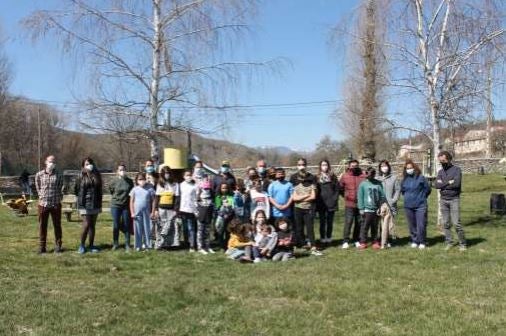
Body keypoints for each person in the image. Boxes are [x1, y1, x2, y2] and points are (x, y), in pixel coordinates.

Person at [435, 151, 467, 251]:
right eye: (440, 161)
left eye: (443, 161)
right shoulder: (440, 172)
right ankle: (449, 242)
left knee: (456, 223)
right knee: (446, 223)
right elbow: (436, 185)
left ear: (449, 159)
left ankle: (463, 244)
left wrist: (443, 183)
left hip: (454, 199)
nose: (442, 163)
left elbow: (456, 184)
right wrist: (449, 182)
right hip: (443, 200)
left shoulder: (457, 170)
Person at [290, 158, 321, 256]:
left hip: (309, 208)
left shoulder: (312, 177)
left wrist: (301, 198)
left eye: (303, 164)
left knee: (310, 228)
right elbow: (294, 197)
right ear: (297, 165)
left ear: (306, 165)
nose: (301, 166)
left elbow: (313, 196)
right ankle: (302, 244)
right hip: (297, 208)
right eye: (299, 164)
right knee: (298, 228)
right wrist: (305, 196)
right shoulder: (293, 177)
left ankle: (313, 246)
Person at [34, 155, 63, 254]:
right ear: (46, 162)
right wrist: (41, 196)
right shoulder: (39, 174)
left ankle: (58, 245)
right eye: (50, 161)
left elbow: (60, 187)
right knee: (42, 225)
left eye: (53, 162)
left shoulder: (59, 175)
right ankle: (42, 247)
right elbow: (37, 186)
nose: (52, 163)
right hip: (43, 204)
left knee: (57, 225)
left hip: (55, 204)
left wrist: (58, 198)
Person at [74, 157, 103, 254]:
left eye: (90, 163)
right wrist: (80, 200)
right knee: (86, 225)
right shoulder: (80, 176)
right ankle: (82, 245)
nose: (88, 165)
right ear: (83, 166)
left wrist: (99, 202)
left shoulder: (97, 175)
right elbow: (76, 189)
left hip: (95, 203)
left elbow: (100, 189)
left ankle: (91, 245)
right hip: (85, 203)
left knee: (92, 225)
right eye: (86, 164)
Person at [401, 160, 431, 249]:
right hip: (408, 206)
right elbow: (403, 191)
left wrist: (421, 197)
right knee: (412, 225)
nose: (409, 169)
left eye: (410, 168)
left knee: (421, 224)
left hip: (420, 205)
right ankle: (415, 240)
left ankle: (422, 241)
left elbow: (428, 189)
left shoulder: (421, 178)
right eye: (407, 168)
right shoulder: (404, 180)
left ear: (414, 168)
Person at [339, 159, 366, 249]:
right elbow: (340, 188)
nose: (354, 167)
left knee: (359, 223)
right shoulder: (345, 176)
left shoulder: (363, 175)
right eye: (352, 166)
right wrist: (346, 196)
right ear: (349, 166)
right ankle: (345, 241)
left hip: (361, 204)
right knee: (348, 222)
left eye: (356, 165)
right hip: (349, 204)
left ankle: (356, 240)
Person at [357, 167, 386, 249]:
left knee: (375, 226)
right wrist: (361, 208)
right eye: (368, 174)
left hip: (376, 209)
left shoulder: (378, 183)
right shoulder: (363, 184)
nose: (369, 176)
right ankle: (363, 241)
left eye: (371, 174)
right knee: (364, 226)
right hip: (366, 209)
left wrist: (380, 206)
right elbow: (360, 196)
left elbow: (382, 195)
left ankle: (375, 241)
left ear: (374, 174)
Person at [152, 166, 180, 249]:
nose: (166, 175)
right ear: (162, 174)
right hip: (161, 209)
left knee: (171, 227)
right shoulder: (160, 183)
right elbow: (157, 197)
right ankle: (160, 244)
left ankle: (170, 244)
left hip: (171, 209)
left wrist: (176, 209)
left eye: (168, 173)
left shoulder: (175, 183)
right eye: (165, 173)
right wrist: (156, 209)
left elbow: (177, 197)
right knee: (161, 227)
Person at [109, 163, 134, 251]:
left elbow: (131, 193)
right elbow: (111, 191)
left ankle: (127, 244)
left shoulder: (130, 181)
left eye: (123, 169)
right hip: (115, 205)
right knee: (116, 224)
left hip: (126, 206)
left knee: (126, 224)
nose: (122, 171)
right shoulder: (113, 181)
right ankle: (115, 243)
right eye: (120, 170)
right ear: (117, 171)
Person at [129, 172, 156, 251]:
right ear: (137, 180)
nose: (142, 181)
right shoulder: (134, 189)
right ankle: (138, 245)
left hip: (147, 212)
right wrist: (132, 212)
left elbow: (154, 200)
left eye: (143, 179)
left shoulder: (150, 188)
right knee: (137, 229)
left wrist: (153, 212)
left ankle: (147, 245)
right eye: (140, 179)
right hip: (137, 213)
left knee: (147, 228)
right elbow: (131, 202)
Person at [377, 160, 401, 247]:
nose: (384, 167)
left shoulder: (394, 178)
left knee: (390, 223)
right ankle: (382, 240)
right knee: (381, 223)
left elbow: (398, 190)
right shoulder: (377, 178)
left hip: (390, 204)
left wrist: (393, 200)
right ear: (380, 168)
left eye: (385, 166)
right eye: (382, 166)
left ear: (388, 167)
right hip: (380, 204)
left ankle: (390, 240)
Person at [316, 159, 340, 244]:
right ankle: (322, 237)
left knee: (330, 222)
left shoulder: (333, 176)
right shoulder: (317, 177)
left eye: (325, 164)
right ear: (320, 166)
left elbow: (337, 189)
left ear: (328, 166)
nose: (324, 166)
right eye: (322, 165)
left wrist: (335, 199)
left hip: (331, 202)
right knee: (322, 222)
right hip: (321, 203)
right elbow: (316, 190)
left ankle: (329, 237)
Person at [195, 171, 215, 254]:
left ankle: (207, 246)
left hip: (209, 209)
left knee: (207, 229)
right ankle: (200, 247)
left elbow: (213, 202)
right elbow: (195, 202)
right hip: (201, 209)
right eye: (205, 189)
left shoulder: (211, 193)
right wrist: (196, 212)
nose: (206, 190)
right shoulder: (198, 191)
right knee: (200, 229)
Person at [179, 169, 199, 252]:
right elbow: (179, 196)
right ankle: (186, 243)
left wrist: (196, 209)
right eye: (187, 175)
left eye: (190, 175)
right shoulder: (181, 185)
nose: (188, 176)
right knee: (185, 228)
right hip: (183, 209)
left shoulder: (195, 185)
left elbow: (197, 197)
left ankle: (192, 245)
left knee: (191, 228)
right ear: (184, 177)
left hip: (192, 209)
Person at [214, 182, 236, 249]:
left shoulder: (230, 196)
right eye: (223, 188)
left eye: (226, 188)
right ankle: (221, 245)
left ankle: (227, 244)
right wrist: (222, 214)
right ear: (220, 189)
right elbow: (217, 208)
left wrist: (228, 214)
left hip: (229, 217)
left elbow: (231, 207)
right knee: (221, 231)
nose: (224, 189)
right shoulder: (218, 197)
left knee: (228, 231)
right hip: (221, 217)